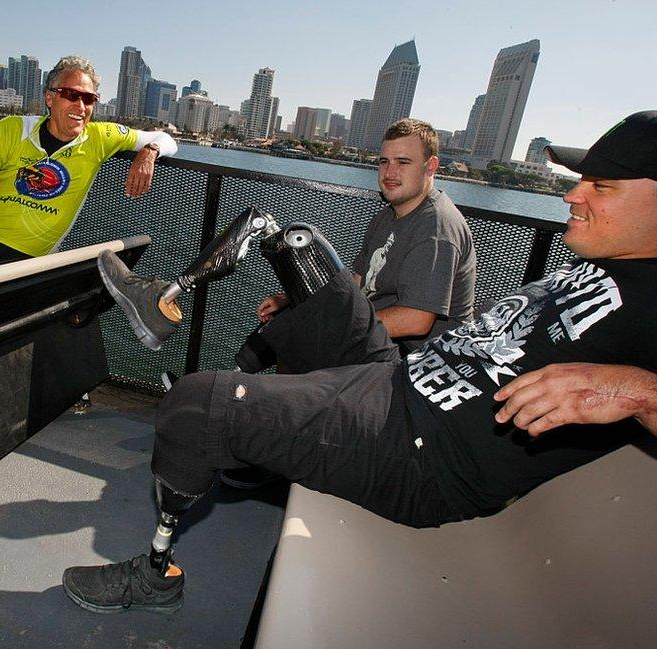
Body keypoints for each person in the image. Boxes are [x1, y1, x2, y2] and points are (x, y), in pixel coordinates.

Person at [62, 111, 657, 615]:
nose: (571, 195)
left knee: (196, 405)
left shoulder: (443, 229)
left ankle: (156, 574)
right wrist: (314, 298)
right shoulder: (603, 259)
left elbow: (421, 319)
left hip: (418, 452)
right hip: (395, 378)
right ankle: (166, 300)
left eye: (601, 187)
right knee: (290, 240)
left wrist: (639, 391)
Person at [0, 56, 178, 271]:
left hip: (30, 265)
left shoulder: (100, 137)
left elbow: (166, 139)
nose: (80, 105)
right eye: (70, 94)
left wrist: (149, 152)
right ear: (50, 98)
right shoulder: (13, 129)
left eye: (88, 99)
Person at [258, 118, 475, 355]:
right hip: (382, 337)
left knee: (299, 341)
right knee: (284, 330)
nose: (390, 172)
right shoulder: (387, 215)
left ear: (431, 166)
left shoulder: (436, 229)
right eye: (384, 162)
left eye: (403, 162)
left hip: (419, 359)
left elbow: (417, 319)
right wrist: (297, 299)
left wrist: (334, 324)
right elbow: (358, 283)